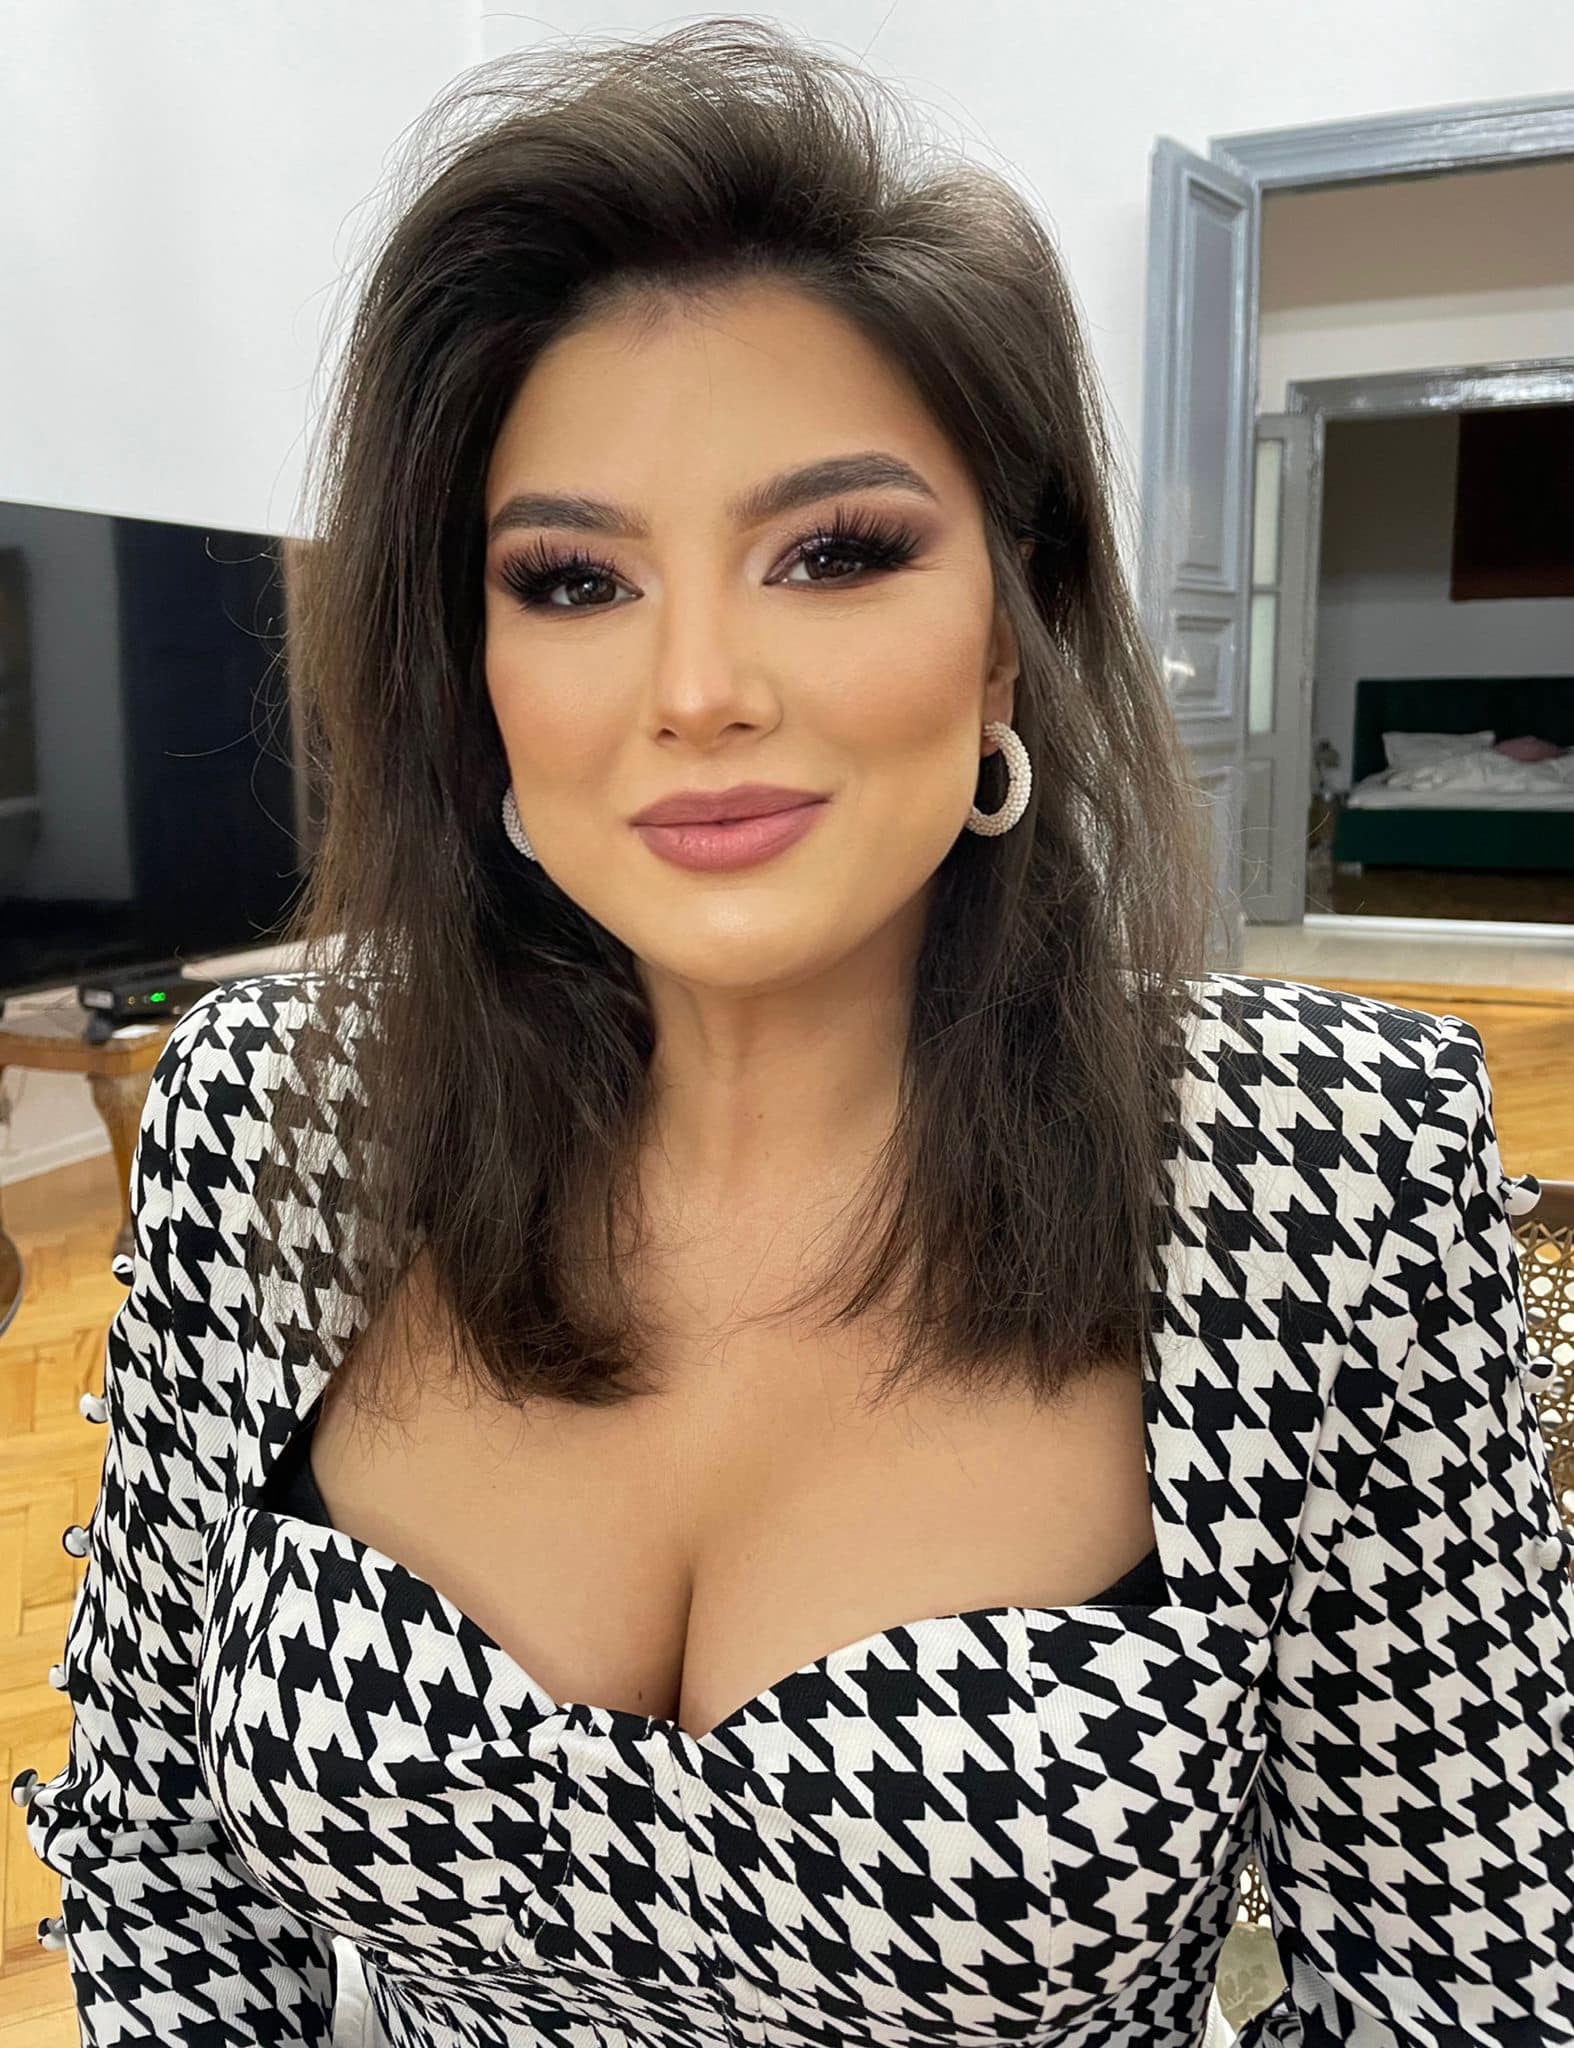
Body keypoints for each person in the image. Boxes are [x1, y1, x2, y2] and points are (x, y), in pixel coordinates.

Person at [18, 18, 1573, 2048]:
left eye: (834, 552)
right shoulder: (276, 1119)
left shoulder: (1323, 1171)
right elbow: (159, 1855)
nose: (697, 688)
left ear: (1008, 627)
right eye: (570, 580)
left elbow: (1463, 1987)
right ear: (471, 666)